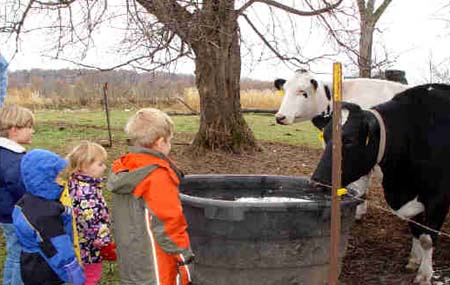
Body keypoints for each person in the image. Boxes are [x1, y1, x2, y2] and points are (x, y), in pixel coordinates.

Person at [107, 107, 194, 285]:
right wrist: (185, 260)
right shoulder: (157, 177)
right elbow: (170, 225)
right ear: (160, 142)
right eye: (170, 140)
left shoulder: (125, 168)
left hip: (132, 262)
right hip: (156, 267)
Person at [12, 149, 85, 285]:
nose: (59, 180)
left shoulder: (25, 201)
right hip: (46, 269)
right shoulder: (46, 215)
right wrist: (72, 270)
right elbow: (58, 248)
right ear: (45, 178)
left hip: (29, 263)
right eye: (56, 175)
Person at [66, 141, 115, 285]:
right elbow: (90, 224)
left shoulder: (77, 183)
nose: (104, 167)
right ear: (82, 166)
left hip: (79, 243)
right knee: (90, 277)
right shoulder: (86, 194)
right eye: (100, 164)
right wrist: (105, 243)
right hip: (89, 248)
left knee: (84, 276)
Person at [0, 105, 34, 285]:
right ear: (14, 130)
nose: (33, 131)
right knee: (20, 256)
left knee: (13, 253)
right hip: (15, 215)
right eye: (29, 127)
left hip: (5, 214)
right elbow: (20, 188)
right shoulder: (14, 158)